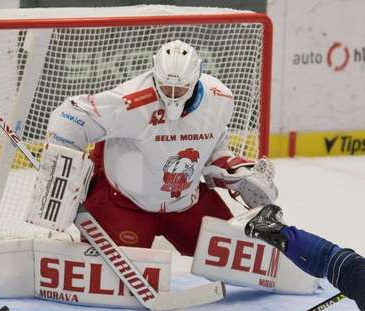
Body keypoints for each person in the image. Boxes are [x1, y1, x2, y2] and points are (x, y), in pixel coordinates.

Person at [46, 39, 277, 256]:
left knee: (240, 254)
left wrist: (233, 170)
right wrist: (62, 172)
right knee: (114, 280)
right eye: (166, 88)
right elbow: (71, 115)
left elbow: (214, 146)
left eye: (180, 88)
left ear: (196, 77)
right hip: (125, 204)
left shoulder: (220, 98)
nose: (173, 95)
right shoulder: (132, 100)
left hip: (186, 203)